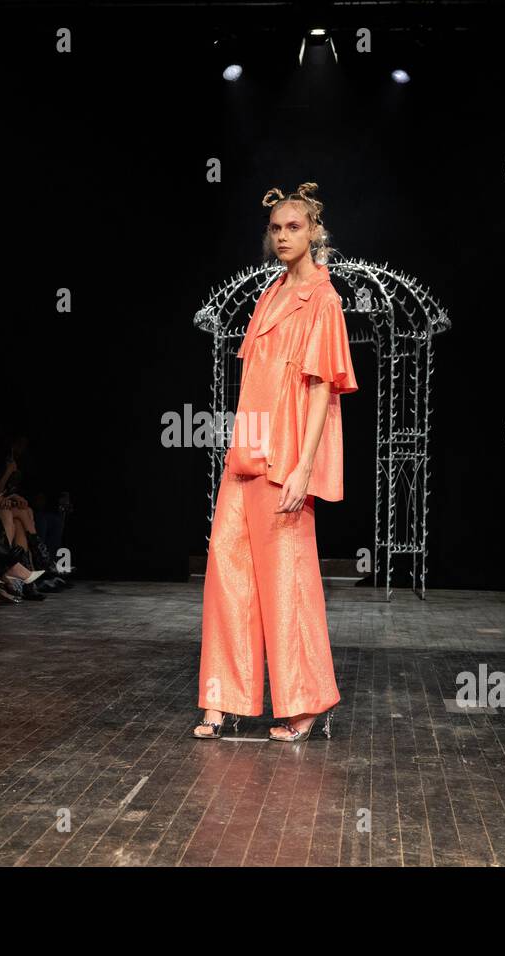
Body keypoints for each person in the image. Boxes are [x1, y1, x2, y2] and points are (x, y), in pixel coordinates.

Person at [195, 182, 357, 742]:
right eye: (276, 228)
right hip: (249, 446)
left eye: (294, 227)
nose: (284, 236)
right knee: (227, 569)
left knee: (287, 580)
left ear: (315, 231)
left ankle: (306, 701)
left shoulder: (325, 299)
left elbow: (321, 392)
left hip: (287, 454)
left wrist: (303, 468)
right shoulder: (268, 296)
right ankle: (224, 697)